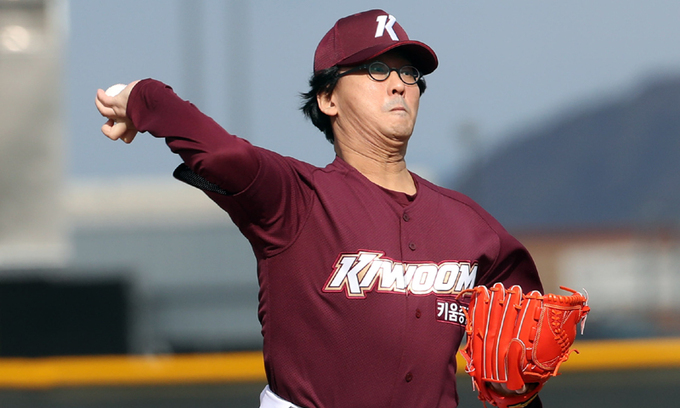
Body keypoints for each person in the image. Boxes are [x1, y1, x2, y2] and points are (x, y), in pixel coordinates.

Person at [95, 9, 543, 408]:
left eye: (409, 74)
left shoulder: (470, 227)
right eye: (376, 69)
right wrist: (144, 97)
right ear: (328, 99)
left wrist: (521, 393)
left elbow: (524, 346)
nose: (398, 84)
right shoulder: (295, 199)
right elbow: (223, 155)